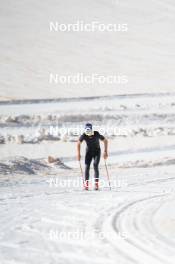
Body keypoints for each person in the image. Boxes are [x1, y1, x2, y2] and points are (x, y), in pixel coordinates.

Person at [77, 123, 108, 190]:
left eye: (89, 130)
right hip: (88, 152)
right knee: (87, 167)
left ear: (91, 129)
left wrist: (105, 151)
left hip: (97, 152)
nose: (88, 132)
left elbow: (105, 140)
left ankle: (96, 185)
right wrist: (78, 154)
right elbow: (78, 143)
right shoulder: (84, 135)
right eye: (86, 130)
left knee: (95, 165)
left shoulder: (96, 134)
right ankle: (86, 185)